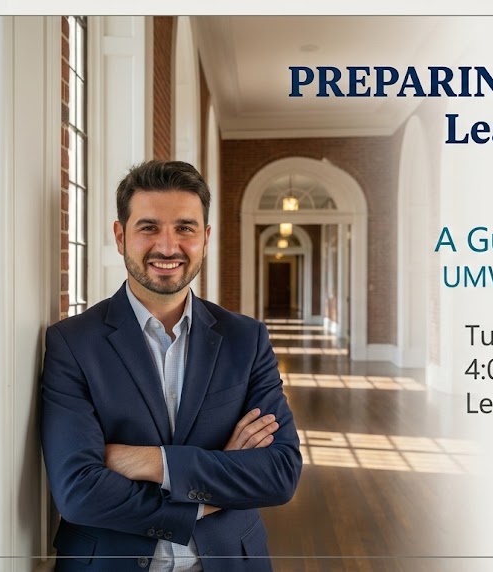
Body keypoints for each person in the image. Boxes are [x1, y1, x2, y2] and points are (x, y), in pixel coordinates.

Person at [41, 160, 301, 572]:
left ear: (206, 237)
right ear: (120, 235)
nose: (167, 246)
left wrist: (151, 462)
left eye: (185, 228)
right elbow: (78, 491)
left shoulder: (246, 340)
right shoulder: (71, 343)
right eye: (148, 228)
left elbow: (279, 473)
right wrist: (209, 493)